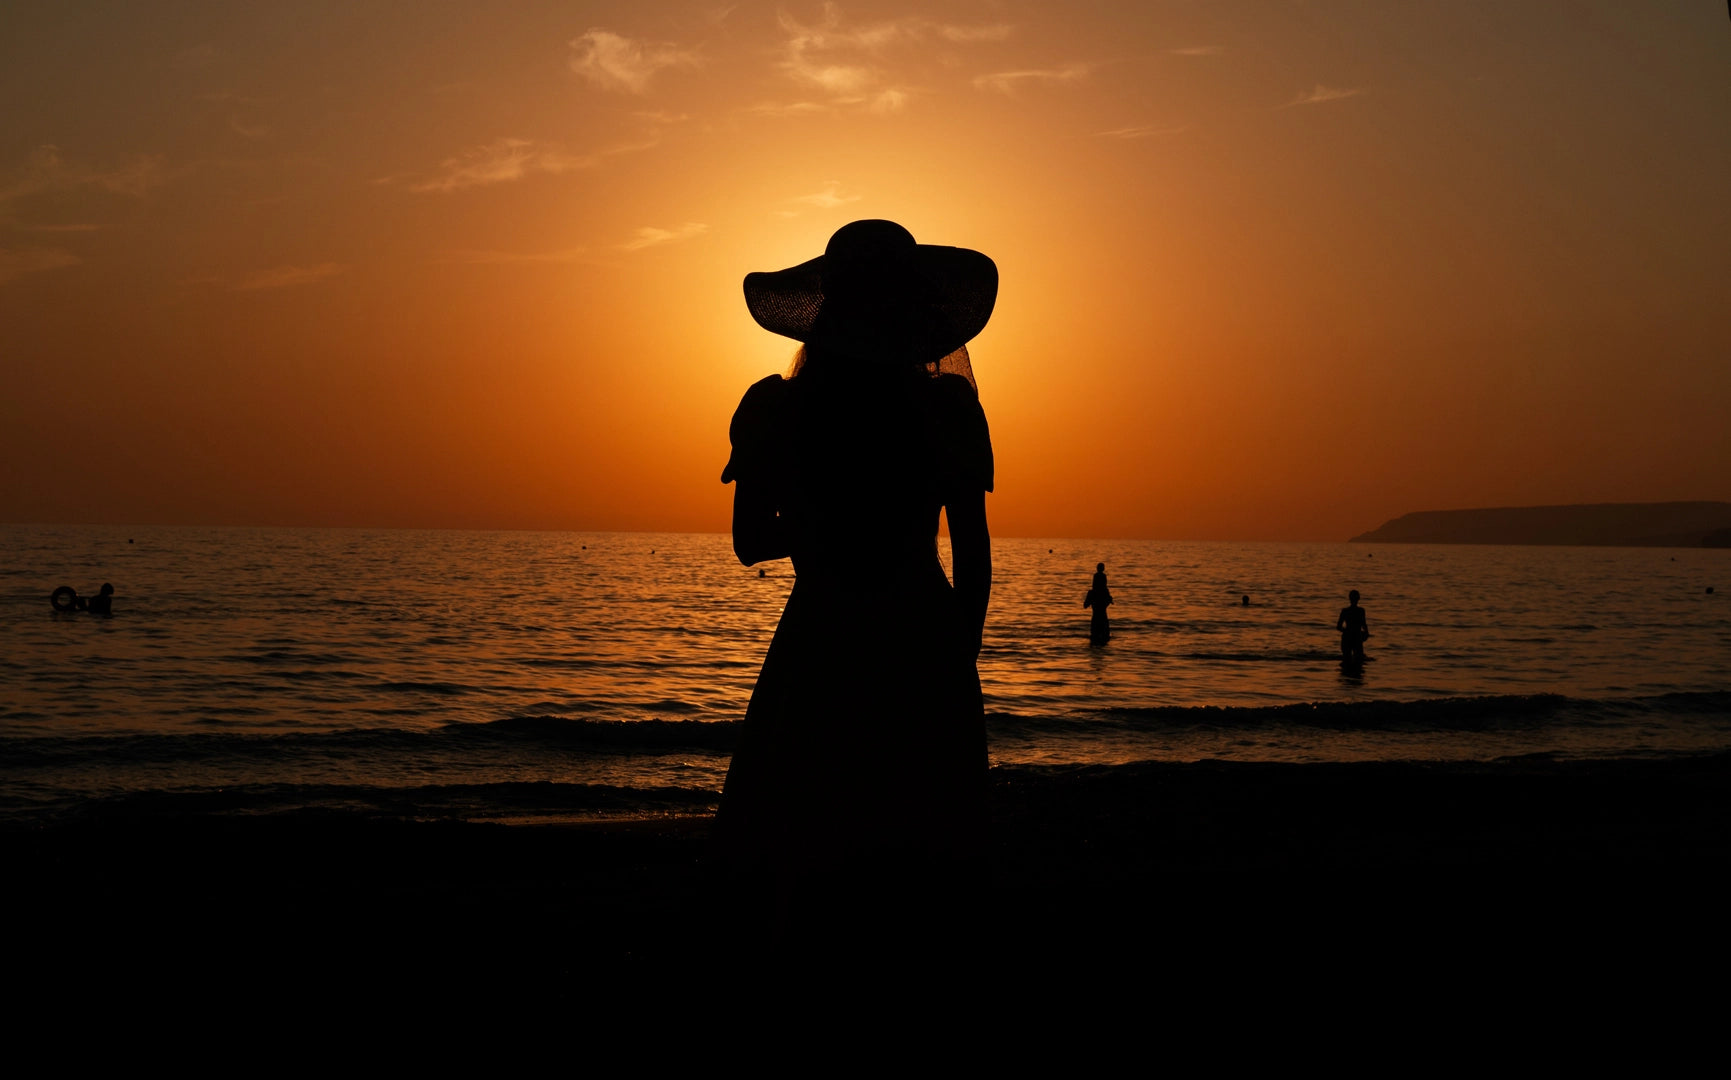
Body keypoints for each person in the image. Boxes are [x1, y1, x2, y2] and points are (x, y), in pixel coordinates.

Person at [713, 220, 998, 927]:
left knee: (807, 819)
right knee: (918, 833)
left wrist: (818, 530)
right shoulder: (943, 409)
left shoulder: (777, 409)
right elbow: (973, 551)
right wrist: (959, 652)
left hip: (822, 632)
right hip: (919, 630)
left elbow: (751, 541)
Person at [1083, 563, 1113, 645]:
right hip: (1103, 619)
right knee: (1105, 638)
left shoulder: (1092, 593)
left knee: (1094, 637)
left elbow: (1085, 606)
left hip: (1095, 619)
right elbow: (1109, 602)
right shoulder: (1105, 592)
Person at [1337, 589, 1369, 662]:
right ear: (1358, 599)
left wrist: (1346, 631)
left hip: (1348, 637)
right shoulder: (1361, 611)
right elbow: (1364, 624)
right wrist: (1366, 633)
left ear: (1349, 598)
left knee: (1347, 660)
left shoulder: (1345, 611)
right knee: (1358, 660)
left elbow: (1338, 627)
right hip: (1356, 637)